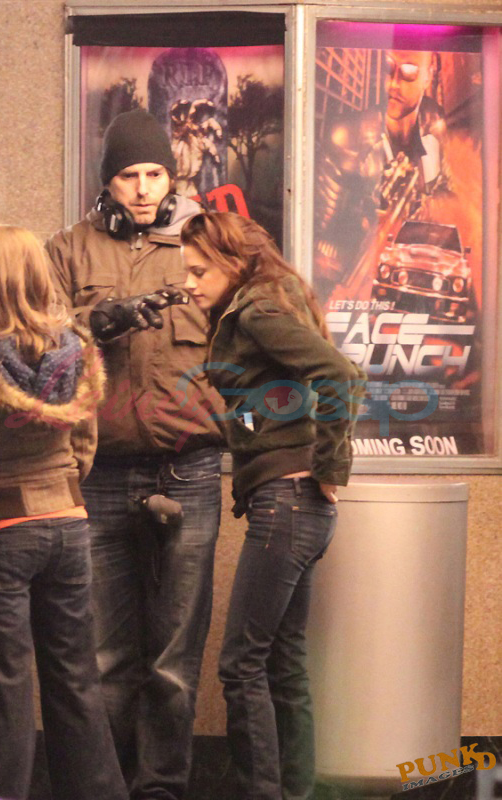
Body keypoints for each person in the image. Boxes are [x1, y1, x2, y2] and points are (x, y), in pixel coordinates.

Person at [46, 109, 225, 800]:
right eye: (129, 175)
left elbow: (257, 336)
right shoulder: (68, 250)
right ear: (107, 182)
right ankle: (107, 789)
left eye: (155, 173)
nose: (144, 188)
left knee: (175, 661)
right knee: (104, 657)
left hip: (191, 470)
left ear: (172, 176)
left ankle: (162, 791)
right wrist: (97, 321)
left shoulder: (208, 245)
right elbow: (31, 341)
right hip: (100, 473)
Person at [180, 211, 367, 800]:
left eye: (199, 270)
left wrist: (331, 466)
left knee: (241, 664)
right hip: (298, 507)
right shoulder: (270, 300)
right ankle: (295, 791)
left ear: (234, 262)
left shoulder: (257, 311)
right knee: (283, 663)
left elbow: (341, 376)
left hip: (287, 502)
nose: (189, 283)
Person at [0, 225, 128, 800]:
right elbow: (84, 445)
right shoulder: (75, 351)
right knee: (76, 678)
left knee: (7, 687)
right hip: (66, 522)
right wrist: (60, 493)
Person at [315, 48, 452, 297]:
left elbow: (445, 190)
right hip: (360, 282)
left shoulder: (434, 121)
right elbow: (318, 240)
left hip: (412, 269)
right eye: (387, 68)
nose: (393, 84)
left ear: (428, 75)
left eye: (408, 72)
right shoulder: (346, 137)